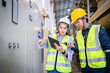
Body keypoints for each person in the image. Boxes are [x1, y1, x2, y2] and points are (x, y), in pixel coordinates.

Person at [71, 8, 110, 73]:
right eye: (75, 23)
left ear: (84, 19)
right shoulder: (79, 34)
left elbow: (108, 51)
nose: (76, 25)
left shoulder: (98, 30)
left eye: (77, 22)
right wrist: (74, 47)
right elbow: (81, 50)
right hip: (85, 69)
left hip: (99, 69)